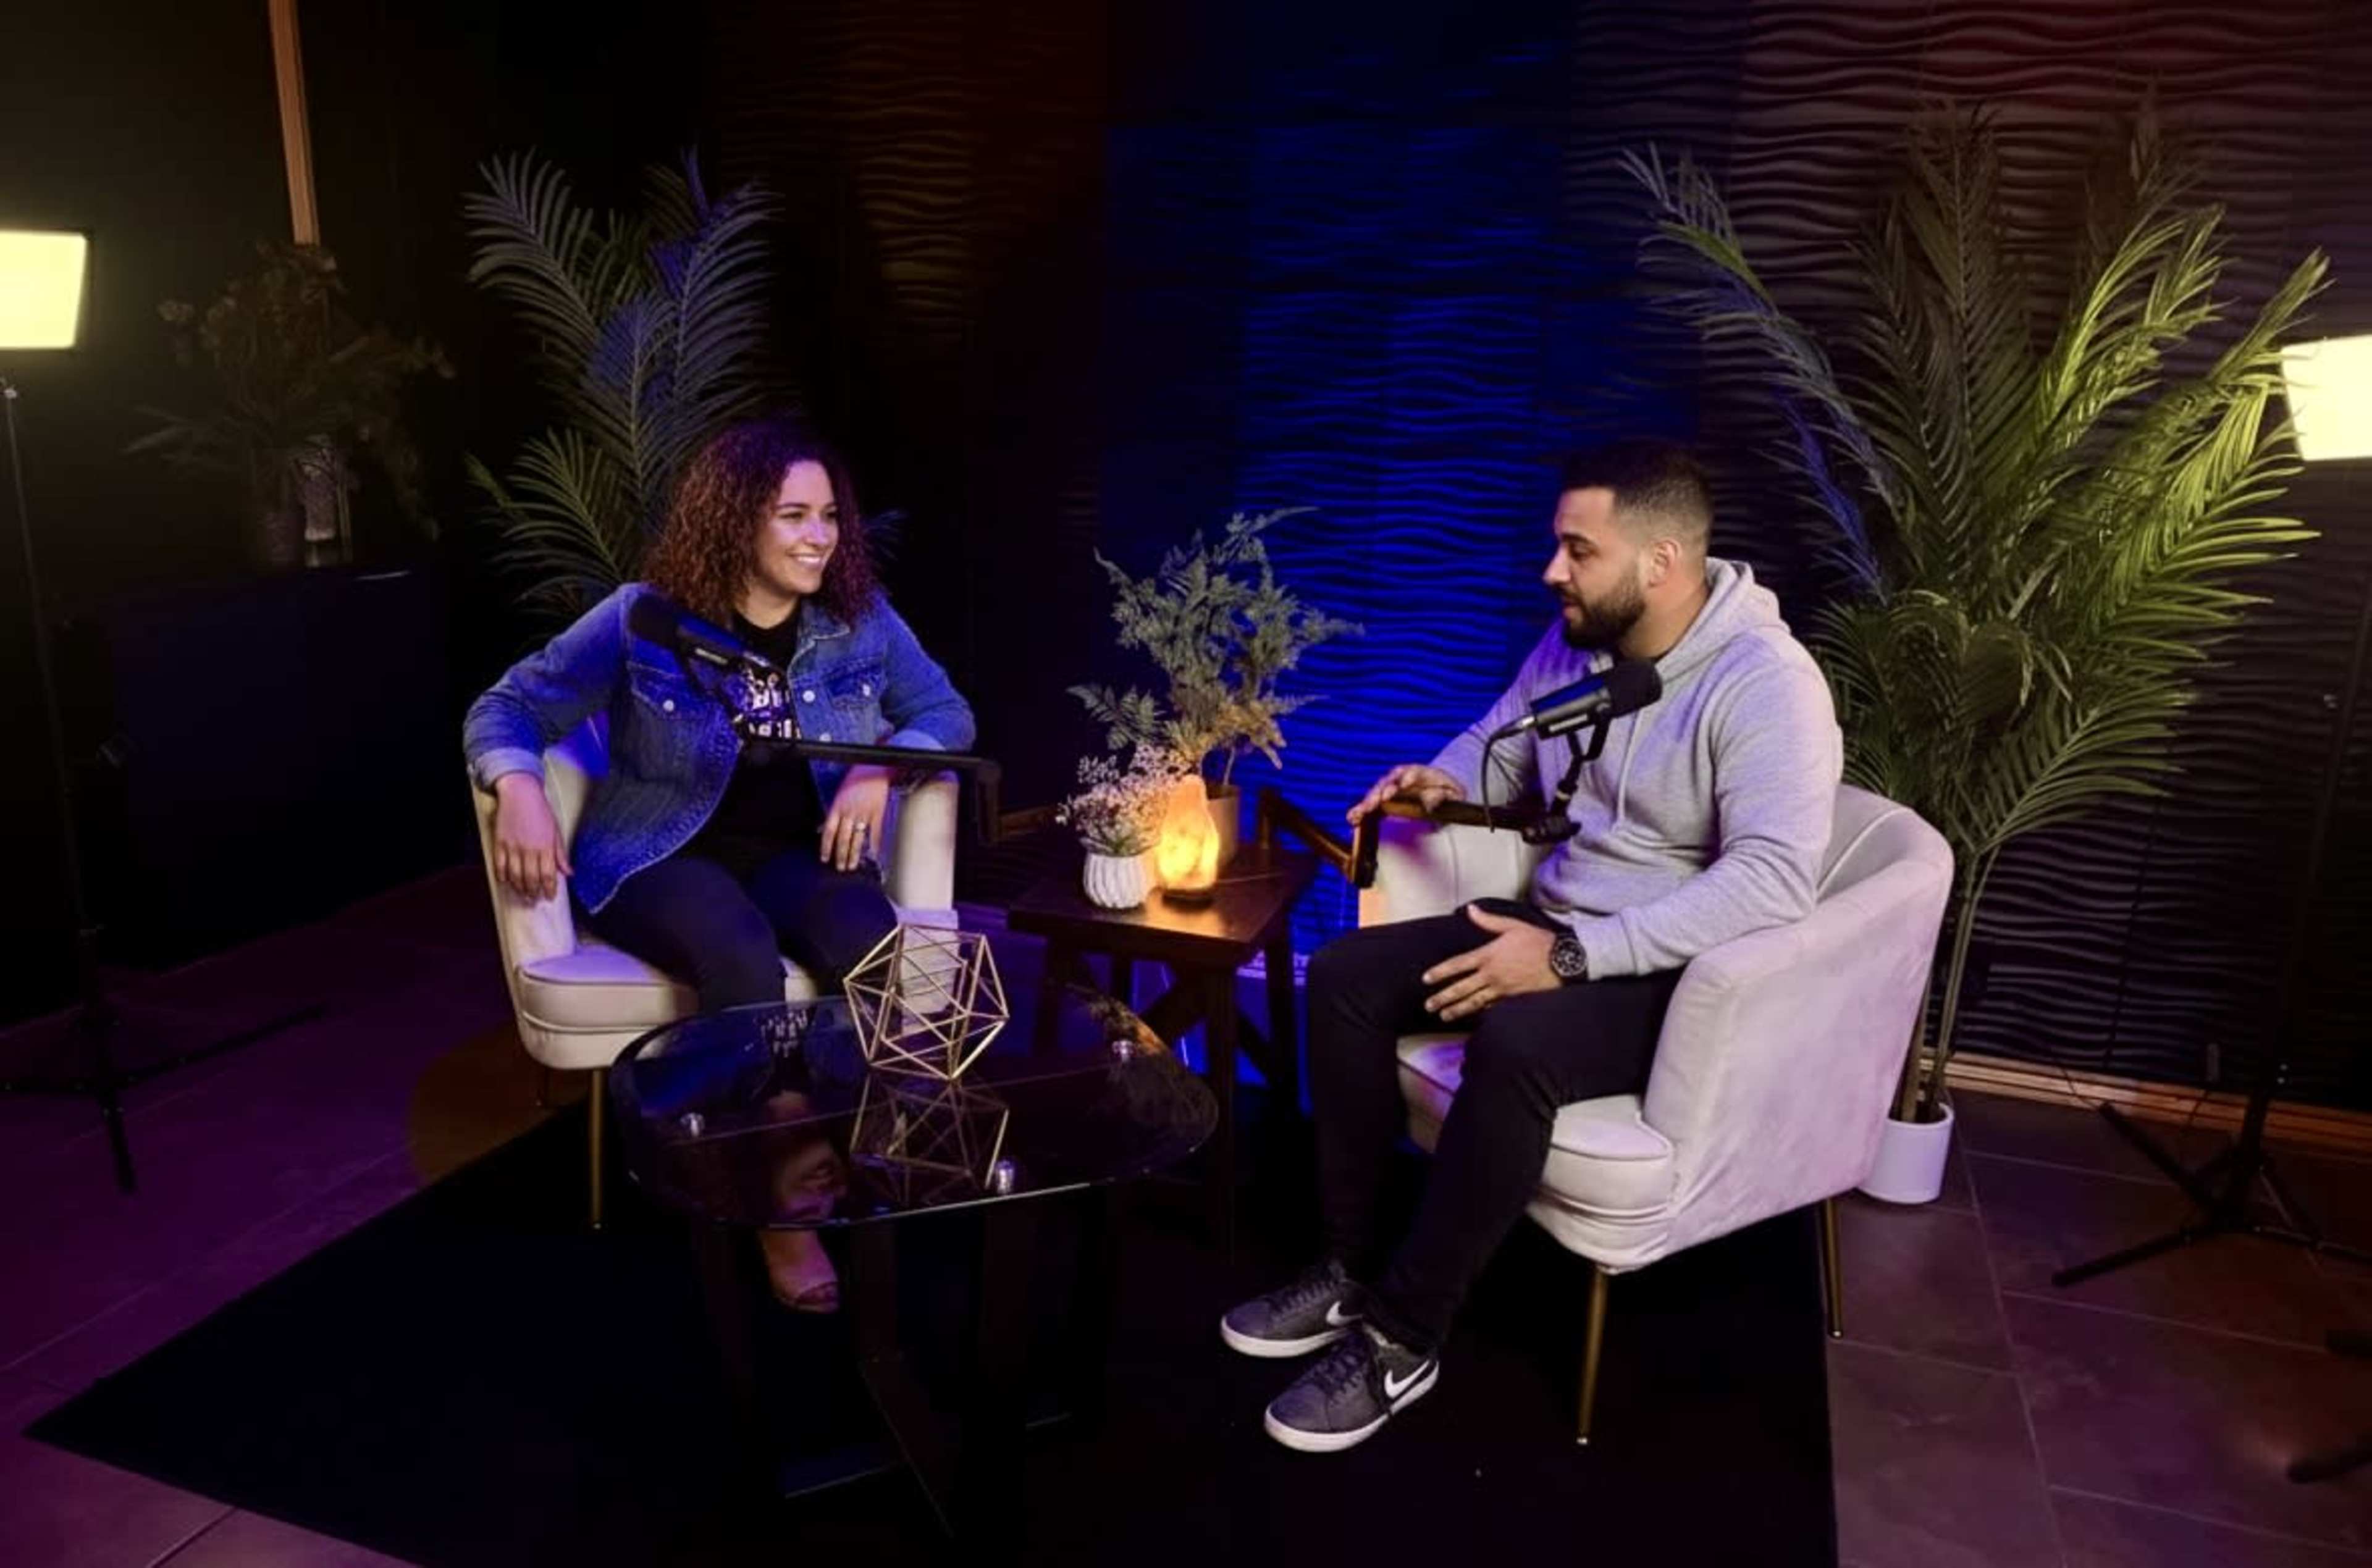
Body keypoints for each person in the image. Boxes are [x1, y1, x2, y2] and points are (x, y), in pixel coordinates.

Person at [1220, 438, 1843, 1453]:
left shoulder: (1767, 684)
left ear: (1662, 562)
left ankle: (1404, 1337)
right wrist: (1446, 779)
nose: (1554, 570)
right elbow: (1499, 740)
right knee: (1342, 978)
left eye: (1578, 550)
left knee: (1517, 1043)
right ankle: (1347, 1269)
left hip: (1675, 969)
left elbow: (1774, 882)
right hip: (1559, 923)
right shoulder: (1578, 642)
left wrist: (1565, 962)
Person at [464, 416, 974, 1311]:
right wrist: (520, 787)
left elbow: (946, 710)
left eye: (830, 517)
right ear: (737, 520)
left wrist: (876, 767)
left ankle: (834, 1146)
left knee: (868, 937)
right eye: (794, 516)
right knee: (738, 955)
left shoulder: (858, 622)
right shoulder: (646, 619)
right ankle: (770, 1202)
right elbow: (506, 708)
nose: (820, 537)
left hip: (794, 854)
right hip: (660, 852)